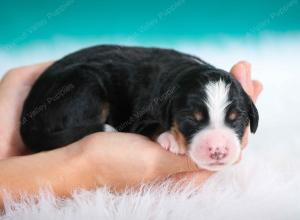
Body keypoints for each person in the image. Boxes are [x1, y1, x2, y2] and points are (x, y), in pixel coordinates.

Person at [0, 60, 262, 209]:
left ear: (251, 115)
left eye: (234, 121)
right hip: (64, 100)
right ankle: (73, 130)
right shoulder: (163, 99)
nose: (218, 145)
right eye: (193, 121)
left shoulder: (179, 91)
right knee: (89, 82)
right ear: (169, 112)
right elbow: (144, 117)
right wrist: (86, 165)